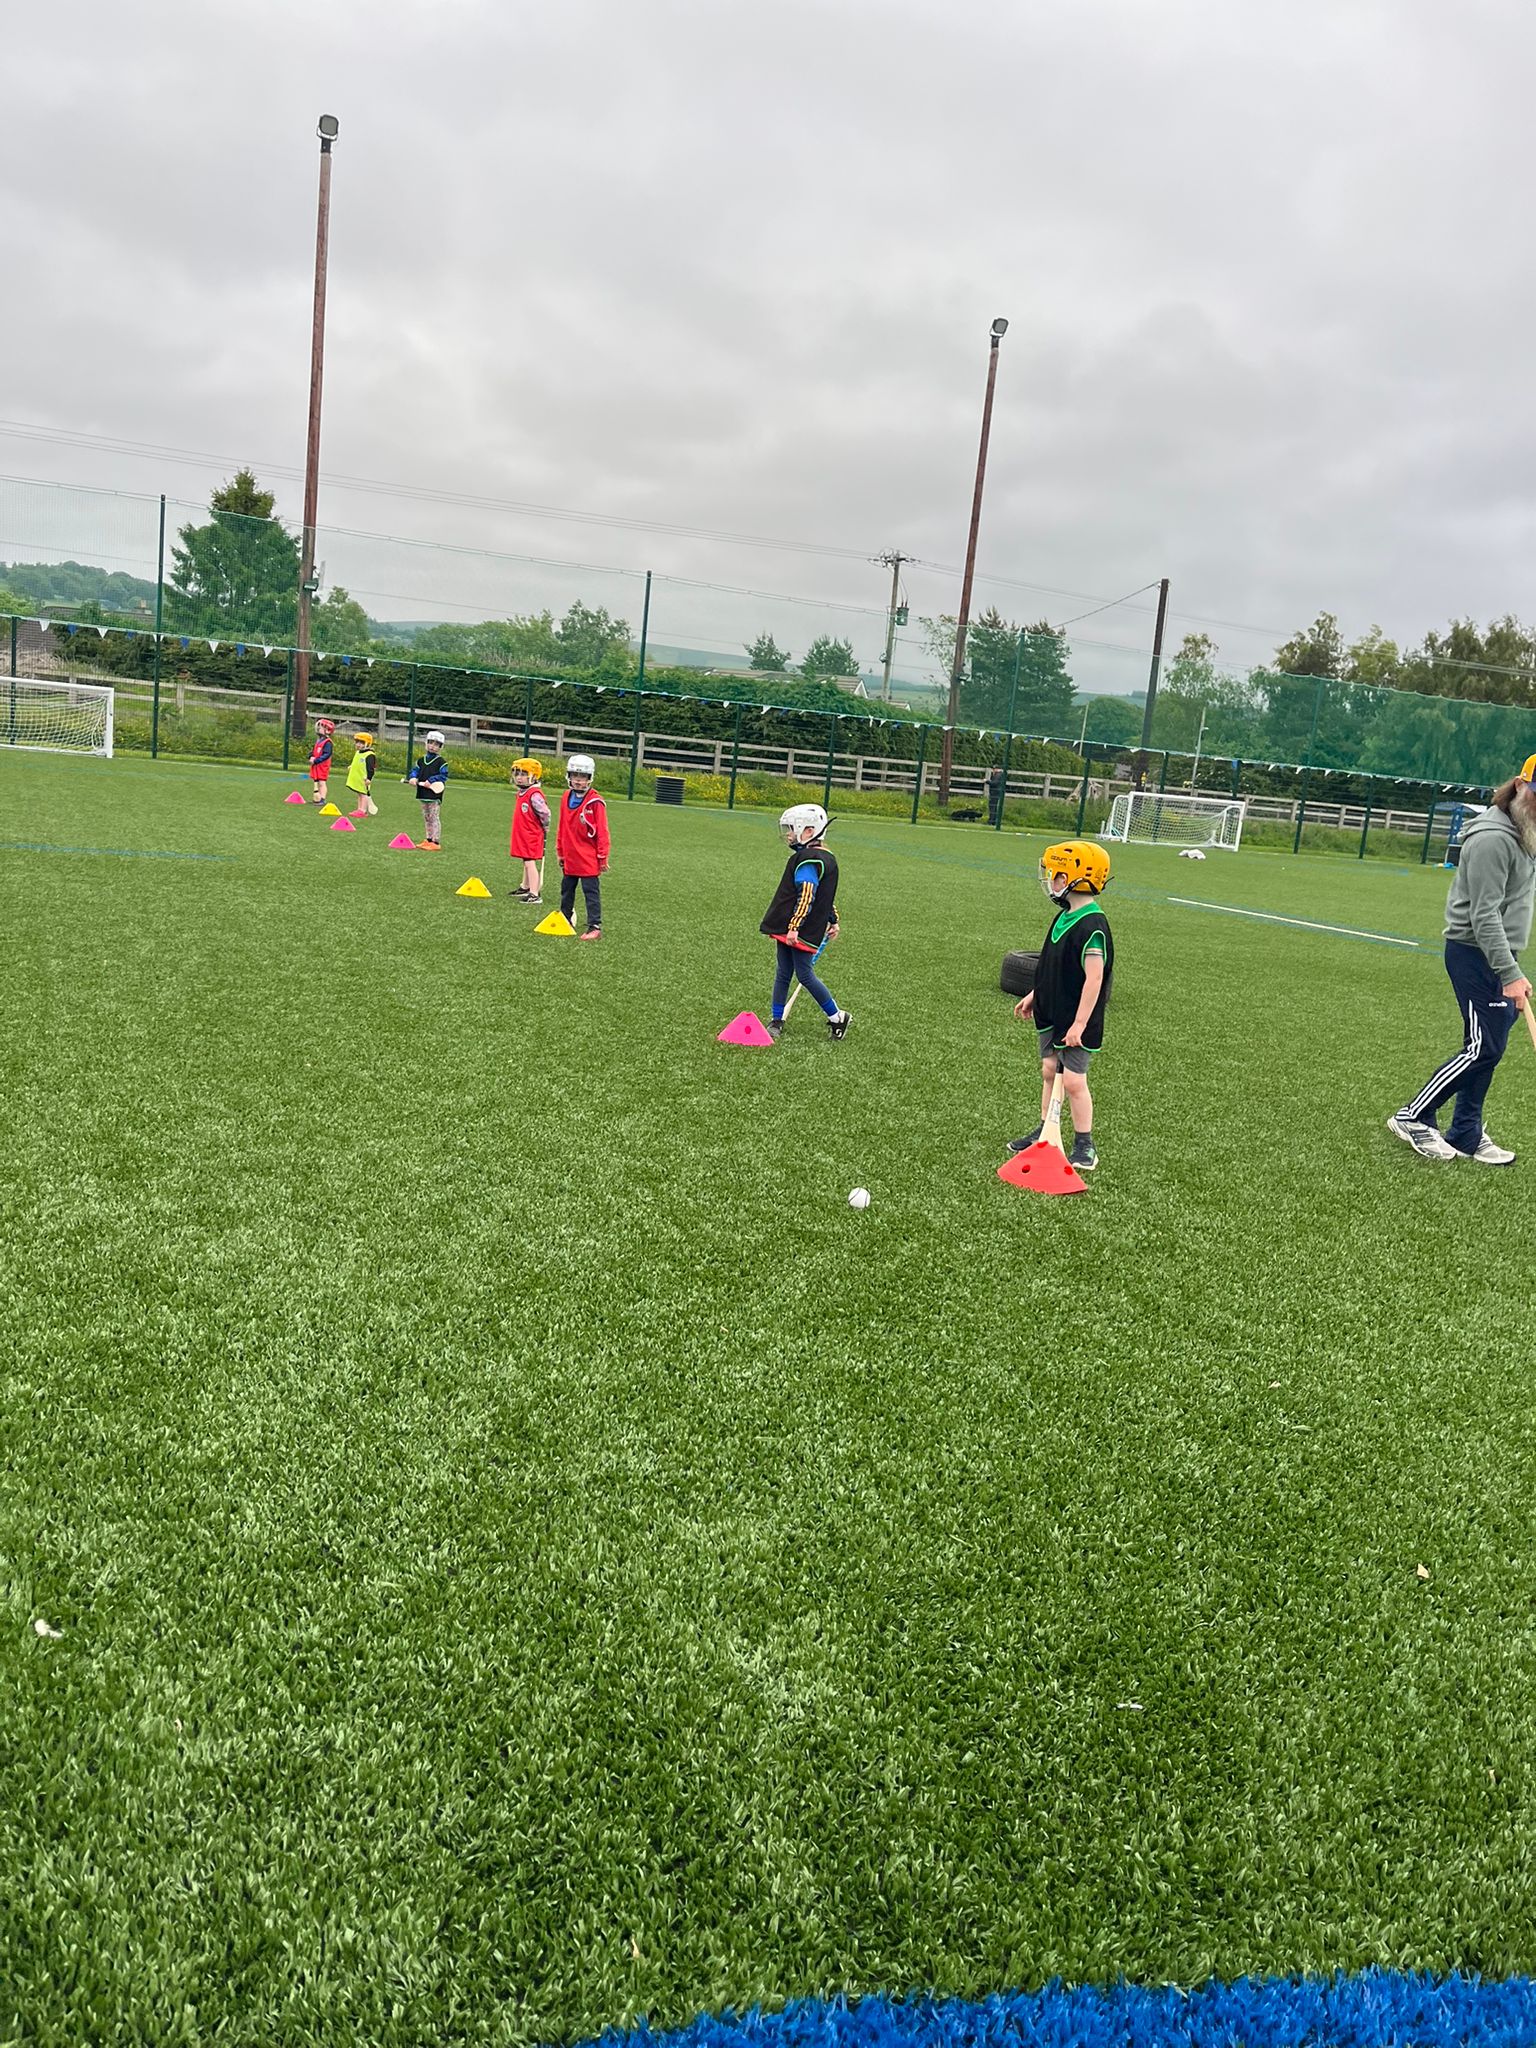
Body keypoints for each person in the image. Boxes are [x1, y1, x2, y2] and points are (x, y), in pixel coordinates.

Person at [1389, 754, 1536, 1166]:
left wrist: (1510, 965)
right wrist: (1509, 973)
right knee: (1482, 1046)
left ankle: (1466, 1132)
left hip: (1499, 952)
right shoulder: (1493, 839)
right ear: (1520, 786)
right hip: (1474, 951)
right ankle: (1412, 1116)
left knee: (1491, 1045)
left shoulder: (1523, 831)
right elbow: (1482, 915)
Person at [1008, 839, 1113, 1173]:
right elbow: (1052, 964)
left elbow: (1094, 979)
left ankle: (1085, 1144)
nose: (1050, 880)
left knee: (1073, 1081)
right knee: (1049, 1070)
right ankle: (1045, 1130)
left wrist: (1079, 1024)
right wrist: (1035, 993)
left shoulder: (1093, 925)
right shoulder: (1063, 916)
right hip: (1051, 1010)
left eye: (1055, 874)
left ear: (1072, 878)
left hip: (1076, 1017)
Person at [760, 803, 850, 1040]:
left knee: (804, 975)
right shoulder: (820, 858)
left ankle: (837, 1017)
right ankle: (776, 1019)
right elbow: (823, 897)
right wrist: (833, 919)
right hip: (792, 927)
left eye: (792, 829)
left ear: (809, 831)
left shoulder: (810, 860)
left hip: (800, 929)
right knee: (783, 972)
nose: (789, 834)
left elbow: (808, 894)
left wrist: (794, 927)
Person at [556, 753, 609, 939]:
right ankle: (565, 919)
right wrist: (560, 851)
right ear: (569, 776)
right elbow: (562, 826)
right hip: (570, 856)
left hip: (588, 857)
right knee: (567, 889)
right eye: (575, 776)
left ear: (589, 778)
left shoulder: (595, 802)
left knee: (590, 892)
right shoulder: (565, 797)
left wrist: (602, 857)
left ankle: (594, 926)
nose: (578, 781)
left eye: (583, 777)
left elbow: (602, 831)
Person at [508, 756, 552, 903]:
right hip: (522, 833)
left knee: (529, 861)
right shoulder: (522, 792)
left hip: (531, 834)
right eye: (517, 774)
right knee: (525, 860)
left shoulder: (534, 794)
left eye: (524, 774)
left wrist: (546, 826)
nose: (519, 778)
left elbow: (545, 813)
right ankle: (525, 886)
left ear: (533, 776)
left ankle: (534, 893)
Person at [406, 730, 448, 850]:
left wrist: (431, 780)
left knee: (434, 817)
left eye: (436, 744)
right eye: (430, 743)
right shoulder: (421, 760)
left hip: (434, 794)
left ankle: (435, 842)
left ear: (440, 747)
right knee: (427, 817)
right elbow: (415, 770)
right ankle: (428, 839)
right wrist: (413, 777)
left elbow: (443, 776)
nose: (432, 746)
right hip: (423, 793)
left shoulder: (441, 762)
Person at [346, 731, 378, 819]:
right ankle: (359, 809)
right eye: (357, 742)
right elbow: (357, 763)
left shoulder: (370, 755)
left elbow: (371, 768)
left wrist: (369, 778)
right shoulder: (358, 752)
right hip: (358, 778)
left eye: (361, 743)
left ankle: (363, 810)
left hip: (364, 779)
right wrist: (351, 767)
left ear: (367, 743)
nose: (358, 745)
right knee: (359, 794)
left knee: (363, 794)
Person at [307, 717, 336, 805]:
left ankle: (322, 799)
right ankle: (317, 798)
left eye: (321, 727)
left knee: (322, 782)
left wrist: (316, 760)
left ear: (328, 731)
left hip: (322, 766)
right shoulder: (319, 740)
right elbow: (314, 751)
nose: (319, 728)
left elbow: (327, 754)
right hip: (316, 765)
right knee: (317, 781)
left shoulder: (327, 742)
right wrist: (311, 756)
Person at [987, 763, 1005, 828]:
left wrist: (987, 781)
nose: (994, 770)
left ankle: (991, 821)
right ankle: (993, 820)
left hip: (995, 792)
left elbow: (994, 783)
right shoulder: (998, 775)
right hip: (995, 792)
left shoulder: (998, 775)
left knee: (992, 807)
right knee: (993, 807)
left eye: (995, 769)